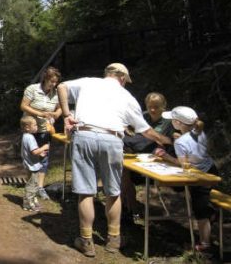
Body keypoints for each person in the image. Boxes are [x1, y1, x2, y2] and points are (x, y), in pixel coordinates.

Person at [57, 63, 171, 257]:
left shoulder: (88, 82)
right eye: (126, 81)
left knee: (85, 191)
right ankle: (114, 239)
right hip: (112, 139)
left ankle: (86, 240)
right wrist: (164, 140)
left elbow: (61, 87)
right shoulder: (127, 97)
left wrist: (67, 115)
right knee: (113, 191)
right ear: (122, 78)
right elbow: (145, 130)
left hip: (84, 135)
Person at [155, 106, 218, 252]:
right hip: (211, 169)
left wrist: (166, 156)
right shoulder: (199, 132)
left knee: (200, 210)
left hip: (198, 177)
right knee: (201, 204)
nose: (171, 122)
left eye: (172, 120)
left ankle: (205, 245)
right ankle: (212, 216)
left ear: (178, 123)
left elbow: (184, 165)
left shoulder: (180, 143)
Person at [121, 92, 176, 221]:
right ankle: (131, 209)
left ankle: (131, 210)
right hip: (139, 157)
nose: (152, 110)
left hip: (161, 161)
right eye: (150, 106)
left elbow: (171, 143)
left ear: (164, 106)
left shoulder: (170, 123)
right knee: (123, 171)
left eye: (156, 107)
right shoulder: (143, 117)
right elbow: (129, 131)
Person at [20, 66, 62, 200]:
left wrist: (55, 114)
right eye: (52, 81)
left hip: (45, 129)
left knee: (43, 157)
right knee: (31, 157)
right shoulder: (32, 89)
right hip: (30, 129)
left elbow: (60, 108)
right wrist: (40, 113)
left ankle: (40, 187)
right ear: (45, 79)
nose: (54, 84)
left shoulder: (56, 93)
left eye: (56, 82)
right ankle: (31, 185)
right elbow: (23, 106)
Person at [21, 115, 49, 212]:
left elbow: (31, 151)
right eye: (35, 125)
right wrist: (44, 147)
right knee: (32, 185)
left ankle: (32, 201)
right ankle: (28, 204)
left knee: (32, 183)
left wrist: (40, 153)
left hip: (29, 164)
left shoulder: (26, 136)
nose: (37, 127)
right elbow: (34, 152)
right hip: (32, 166)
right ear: (27, 127)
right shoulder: (30, 138)